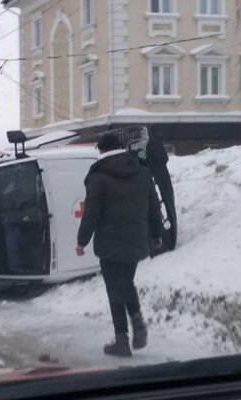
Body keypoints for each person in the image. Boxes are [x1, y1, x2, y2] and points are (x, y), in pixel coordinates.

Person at [76, 133, 164, 357]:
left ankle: (122, 340)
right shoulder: (142, 171)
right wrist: (157, 234)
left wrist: (82, 240)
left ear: (102, 150)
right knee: (126, 283)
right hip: (136, 240)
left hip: (110, 243)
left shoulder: (99, 176)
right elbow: (153, 205)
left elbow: (92, 211)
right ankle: (137, 320)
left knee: (115, 288)